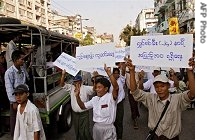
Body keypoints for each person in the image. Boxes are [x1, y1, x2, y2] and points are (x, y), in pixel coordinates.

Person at [126, 57, 195, 140]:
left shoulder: (177, 99)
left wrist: (189, 72)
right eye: (157, 87)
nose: (159, 89)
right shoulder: (151, 98)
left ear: (168, 86)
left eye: (162, 86)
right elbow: (135, 92)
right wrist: (132, 71)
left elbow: (192, 93)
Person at [75, 64, 119, 140]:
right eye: (96, 88)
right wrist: (77, 96)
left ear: (106, 89)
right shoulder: (94, 99)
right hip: (96, 128)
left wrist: (109, 73)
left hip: (108, 128)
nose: (97, 89)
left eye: (99, 87)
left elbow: (116, 87)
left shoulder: (110, 97)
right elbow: (82, 106)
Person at [60, 70, 94, 140]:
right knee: (77, 131)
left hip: (83, 114)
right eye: (74, 82)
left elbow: (94, 89)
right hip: (75, 114)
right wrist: (63, 75)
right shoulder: (71, 88)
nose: (75, 83)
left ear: (81, 81)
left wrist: (95, 77)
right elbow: (62, 85)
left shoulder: (85, 88)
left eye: (77, 81)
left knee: (85, 131)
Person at [4, 50, 29, 136]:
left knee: (23, 118)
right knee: (14, 120)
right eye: (21, 59)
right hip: (15, 100)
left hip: (23, 98)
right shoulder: (9, 72)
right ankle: (15, 136)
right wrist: (14, 101)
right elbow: (9, 88)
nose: (23, 61)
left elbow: (24, 82)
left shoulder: (22, 70)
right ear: (15, 60)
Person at [110, 63, 126, 140]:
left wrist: (124, 65)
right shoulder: (109, 81)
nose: (116, 75)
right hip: (111, 104)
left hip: (119, 104)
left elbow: (123, 71)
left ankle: (119, 137)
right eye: (114, 73)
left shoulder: (121, 80)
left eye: (117, 73)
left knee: (119, 121)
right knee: (112, 121)